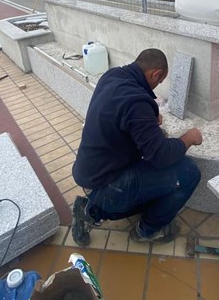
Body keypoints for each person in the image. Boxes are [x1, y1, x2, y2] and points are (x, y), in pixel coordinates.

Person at [71, 48, 203, 247]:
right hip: (107, 182)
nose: (157, 85)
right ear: (156, 74)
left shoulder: (113, 76)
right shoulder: (137, 102)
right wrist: (188, 138)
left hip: (90, 171)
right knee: (189, 172)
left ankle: (92, 206)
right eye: (159, 82)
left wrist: (147, 118)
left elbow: (122, 115)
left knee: (153, 180)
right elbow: (160, 155)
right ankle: (147, 230)